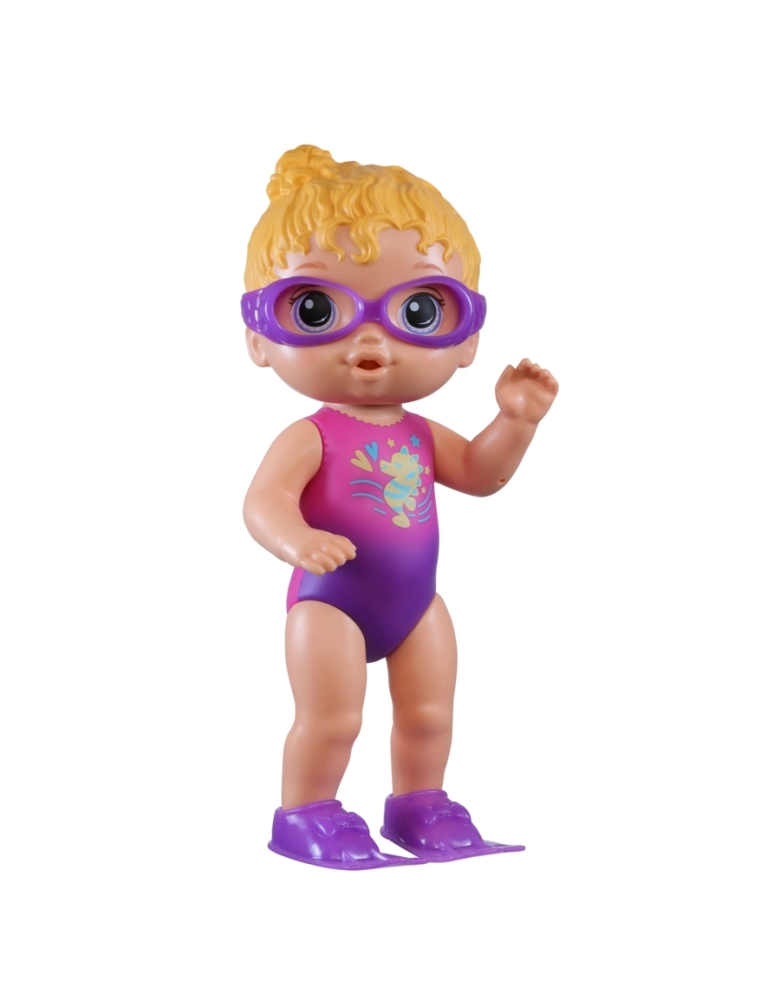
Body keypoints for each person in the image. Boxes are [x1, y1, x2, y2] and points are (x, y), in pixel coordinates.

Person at [242, 145, 558, 869]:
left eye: (418, 311)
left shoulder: (420, 432)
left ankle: (420, 802)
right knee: (332, 717)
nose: (371, 343)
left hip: (416, 603)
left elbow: (479, 474)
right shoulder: (314, 434)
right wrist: (296, 541)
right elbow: (262, 502)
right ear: (258, 336)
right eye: (316, 310)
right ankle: (306, 812)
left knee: (430, 714)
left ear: (467, 338)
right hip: (330, 603)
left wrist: (516, 422)